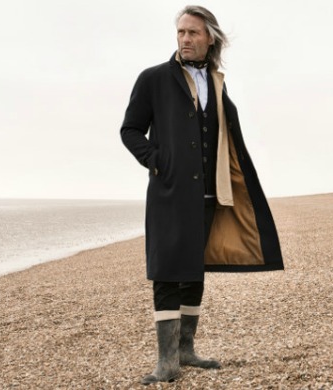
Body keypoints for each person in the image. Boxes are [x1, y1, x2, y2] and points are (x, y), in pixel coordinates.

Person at [120, 5, 284, 385]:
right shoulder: (153, 79)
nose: (185, 39)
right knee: (166, 272)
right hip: (169, 192)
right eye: (180, 32)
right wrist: (157, 162)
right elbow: (130, 130)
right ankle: (166, 363)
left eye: (193, 33)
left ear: (210, 37)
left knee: (195, 268)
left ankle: (187, 350)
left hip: (210, 194)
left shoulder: (216, 81)